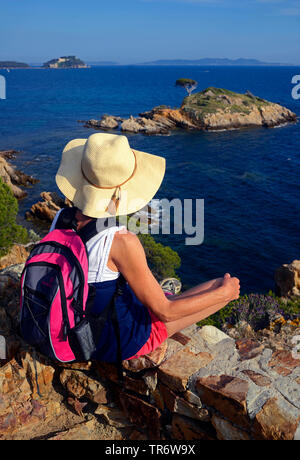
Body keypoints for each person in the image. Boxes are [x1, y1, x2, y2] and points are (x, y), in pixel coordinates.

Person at [52, 133, 240, 362]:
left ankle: (168, 294)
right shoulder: (121, 241)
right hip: (107, 338)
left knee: (156, 296)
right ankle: (216, 293)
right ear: (122, 190)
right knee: (219, 287)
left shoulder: (61, 218)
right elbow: (166, 312)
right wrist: (224, 294)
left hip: (72, 320)